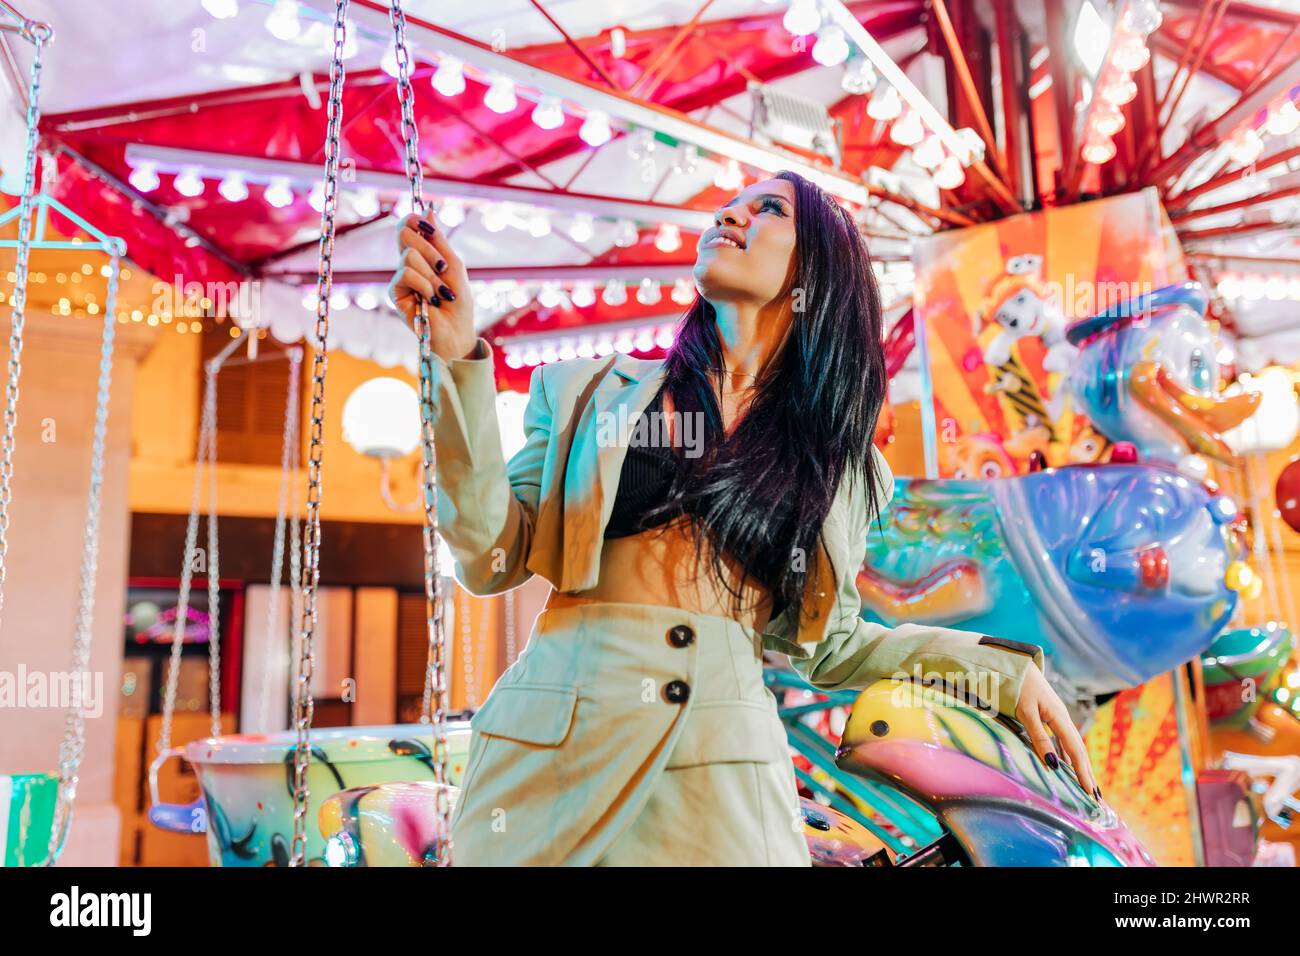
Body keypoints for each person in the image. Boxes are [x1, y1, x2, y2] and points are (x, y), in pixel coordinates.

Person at [387, 170, 1099, 866]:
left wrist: (993, 670)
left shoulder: (837, 462)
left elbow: (834, 647)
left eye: (766, 210)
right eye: (727, 206)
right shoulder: (584, 392)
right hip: (554, 752)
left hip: (722, 767)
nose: (729, 216)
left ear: (815, 277)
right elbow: (489, 554)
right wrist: (454, 363)